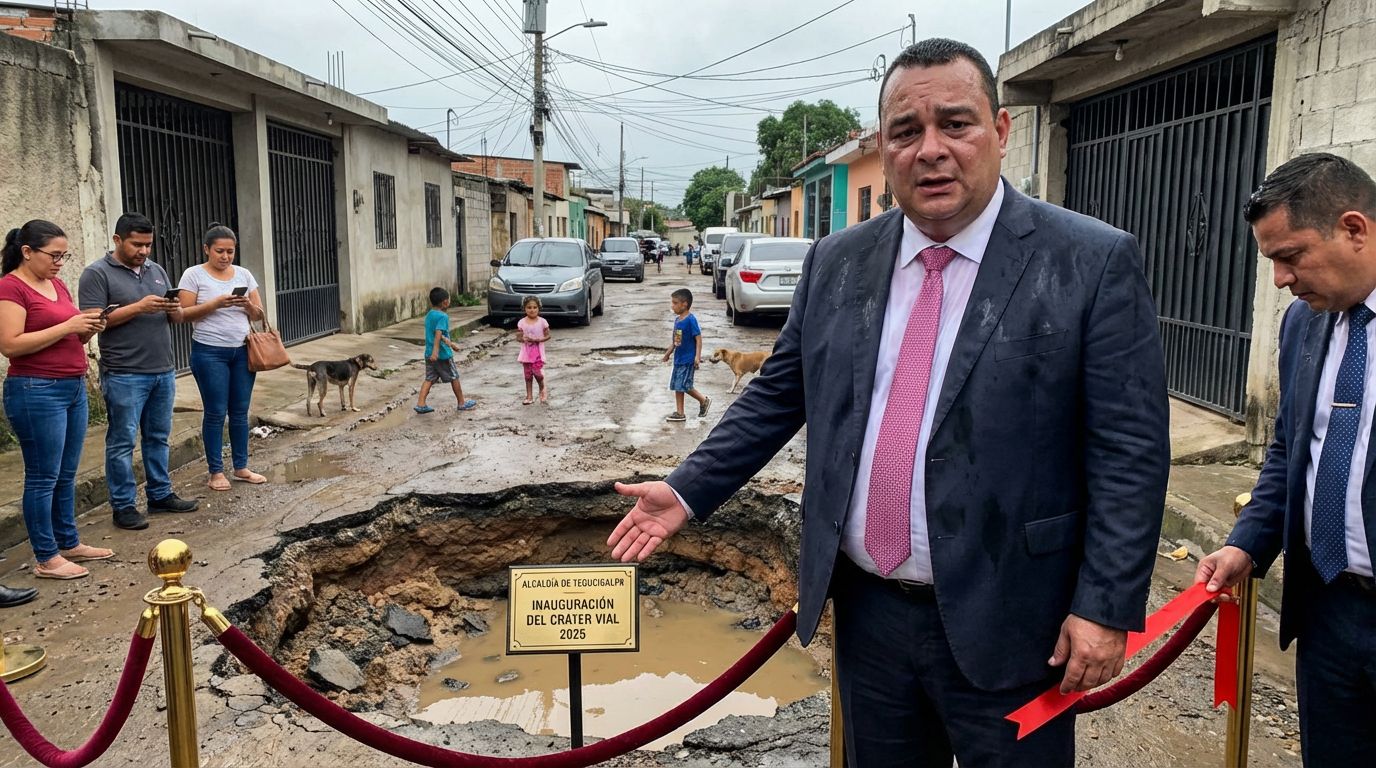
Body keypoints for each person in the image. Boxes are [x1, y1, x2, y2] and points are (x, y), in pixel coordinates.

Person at [607, 38, 1170, 767]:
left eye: (955, 124)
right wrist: (686, 490)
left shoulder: (1090, 262)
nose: (930, 149)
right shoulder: (838, 260)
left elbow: (1130, 453)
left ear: (1000, 131)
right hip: (871, 616)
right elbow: (780, 393)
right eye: (907, 131)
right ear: (886, 147)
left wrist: (1104, 606)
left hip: (1016, 616)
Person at [1195, 153, 1376, 767]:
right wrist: (1248, 542)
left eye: (1290, 256)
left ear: (1354, 228)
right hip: (1327, 612)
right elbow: (1289, 452)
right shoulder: (1305, 323)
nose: (1280, 280)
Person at [0, 220, 115, 581]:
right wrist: (68, 326)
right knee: (42, 476)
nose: (60, 262)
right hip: (36, 390)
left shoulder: (56, 285)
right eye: (54, 255)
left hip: (72, 386)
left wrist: (85, 329)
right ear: (27, 252)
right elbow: (10, 345)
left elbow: (65, 336)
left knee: (66, 473)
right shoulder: (10, 288)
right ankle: (46, 556)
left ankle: (68, 541)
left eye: (64, 256)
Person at [79, 212, 197, 531]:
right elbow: (93, 320)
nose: (144, 251)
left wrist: (174, 310)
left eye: (148, 245)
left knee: (158, 437)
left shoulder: (156, 270)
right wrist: (138, 307)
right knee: (122, 441)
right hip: (124, 373)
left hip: (162, 369)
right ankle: (124, 505)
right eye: (137, 244)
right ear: (118, 240)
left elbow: (174, 319)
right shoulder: (97, 274)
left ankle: (160, 494)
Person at [177, 224, 267, 492]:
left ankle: (241, 467)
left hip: (242, 351)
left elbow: (259, 314)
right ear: (207, 249)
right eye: (219, 251)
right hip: (209, 352)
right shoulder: (193, 275)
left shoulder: (244, 274)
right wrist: (215, 303)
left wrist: (249, 307)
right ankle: (216, 471)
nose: (225, 256)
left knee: (240, 411)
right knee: (216, 412)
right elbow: (183, 313)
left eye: (230, 251)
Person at [414, 286, 476, 414]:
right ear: (445, 302)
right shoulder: (443, 316)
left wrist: (450, 344)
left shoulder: (430, 315)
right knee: (454, 376)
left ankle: (421, 404)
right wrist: (436, 351)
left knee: (429, 378)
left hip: (429, 353)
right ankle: (461, 403)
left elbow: (440, 335)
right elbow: (438, 333)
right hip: (442, 355)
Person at [661, 288, 709, 423]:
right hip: (679, 359)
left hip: (688, 359)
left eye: (675, 303)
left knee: (685, 385)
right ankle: (680, 413)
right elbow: (676, 341)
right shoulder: (678, 321)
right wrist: (668, 354)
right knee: (678, 385)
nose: (672, 306)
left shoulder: (690, 320)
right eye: (672, 302)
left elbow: (698, 339)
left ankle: (703, 400)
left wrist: (697, 357)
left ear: (684, 304)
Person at [517, 295, 550, 405]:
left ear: (539, 308)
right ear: (524, 309)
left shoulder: (542, 322)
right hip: (526, 354)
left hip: (538, 353)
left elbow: (548, 336)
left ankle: (542, 387)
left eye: (535, 307)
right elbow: (518, 337)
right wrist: (523, 339)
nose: (532, 310)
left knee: (537, 374)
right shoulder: (522, 322)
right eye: (529, 307)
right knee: (527, 376)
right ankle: (529, 396)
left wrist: (538, 339)